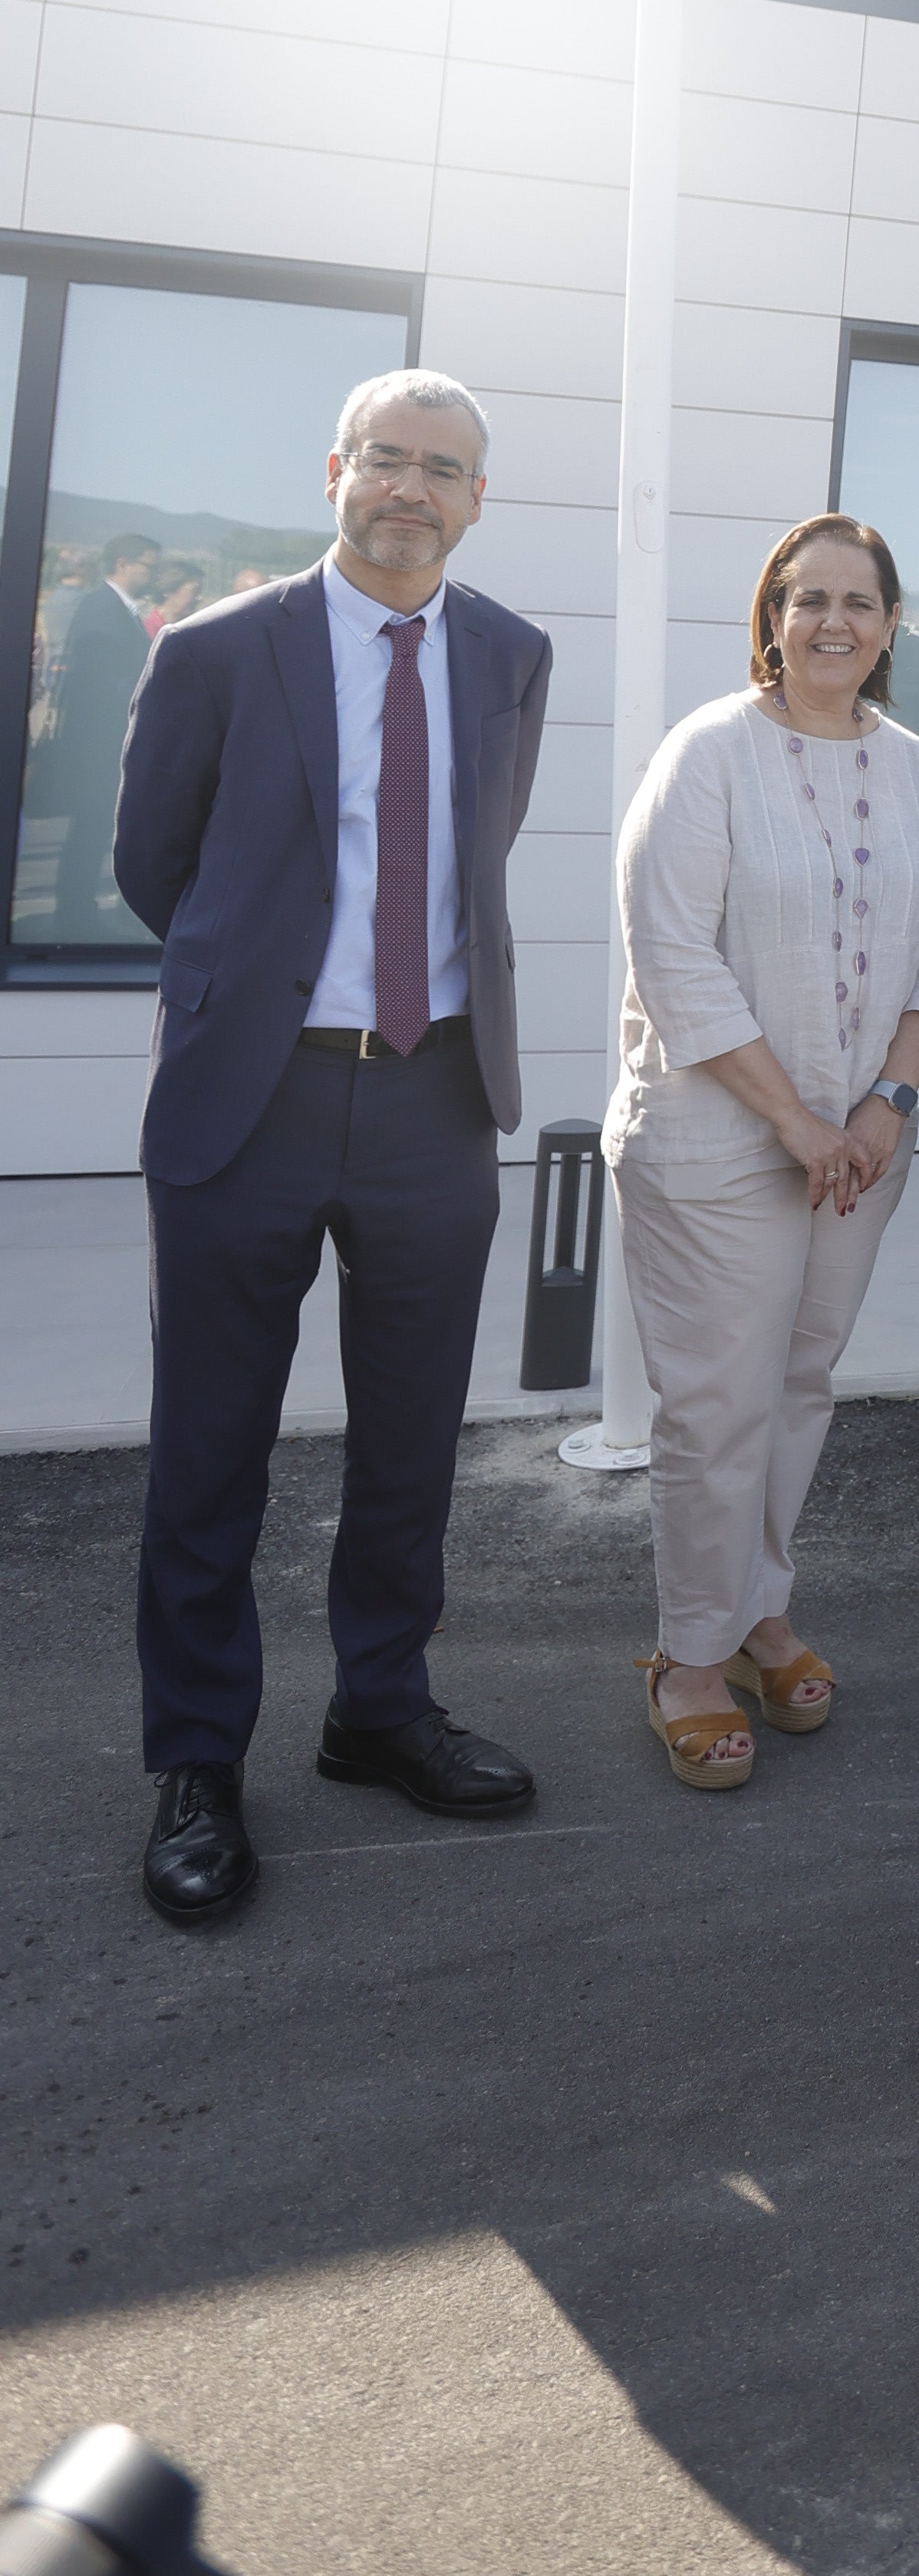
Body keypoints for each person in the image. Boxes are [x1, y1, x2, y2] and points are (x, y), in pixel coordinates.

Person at [110, 373, 550, 1925]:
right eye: (386, 460)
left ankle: (378, 1707)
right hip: (256, 1092)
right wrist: (268, 994)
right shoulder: (221, 647)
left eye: (444, 469)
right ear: (335, 472)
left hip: (437, 1097)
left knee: (412, 1437)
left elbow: (474, 856)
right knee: (212, 1443)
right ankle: (198, 1761)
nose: (410, 489)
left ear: (477, 499)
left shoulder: (509, 654)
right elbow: (154, 863)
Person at [607, 515, 919, 1791]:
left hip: (862, 1147)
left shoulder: (916, 766)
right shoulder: (709, 753)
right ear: (771, 615)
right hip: (719, 1141)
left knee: (801, 1384)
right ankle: (689, 1659)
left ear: (889, 624)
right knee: (717, 1406)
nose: (833, 623)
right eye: (807, 599)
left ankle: (758, 1609)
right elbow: (674, 953)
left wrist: (886, 1101)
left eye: (860, 602)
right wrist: (799, 1118)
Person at [32, 531, 159, 934]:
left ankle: (78, 906)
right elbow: (101, 679)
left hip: (104, 741)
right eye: (149, 566)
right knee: (89, 827)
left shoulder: (114, 607)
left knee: (94, 826)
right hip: (99, 742)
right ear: (125, 563)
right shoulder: (103, 607)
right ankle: (75, 912)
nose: (153, 574)